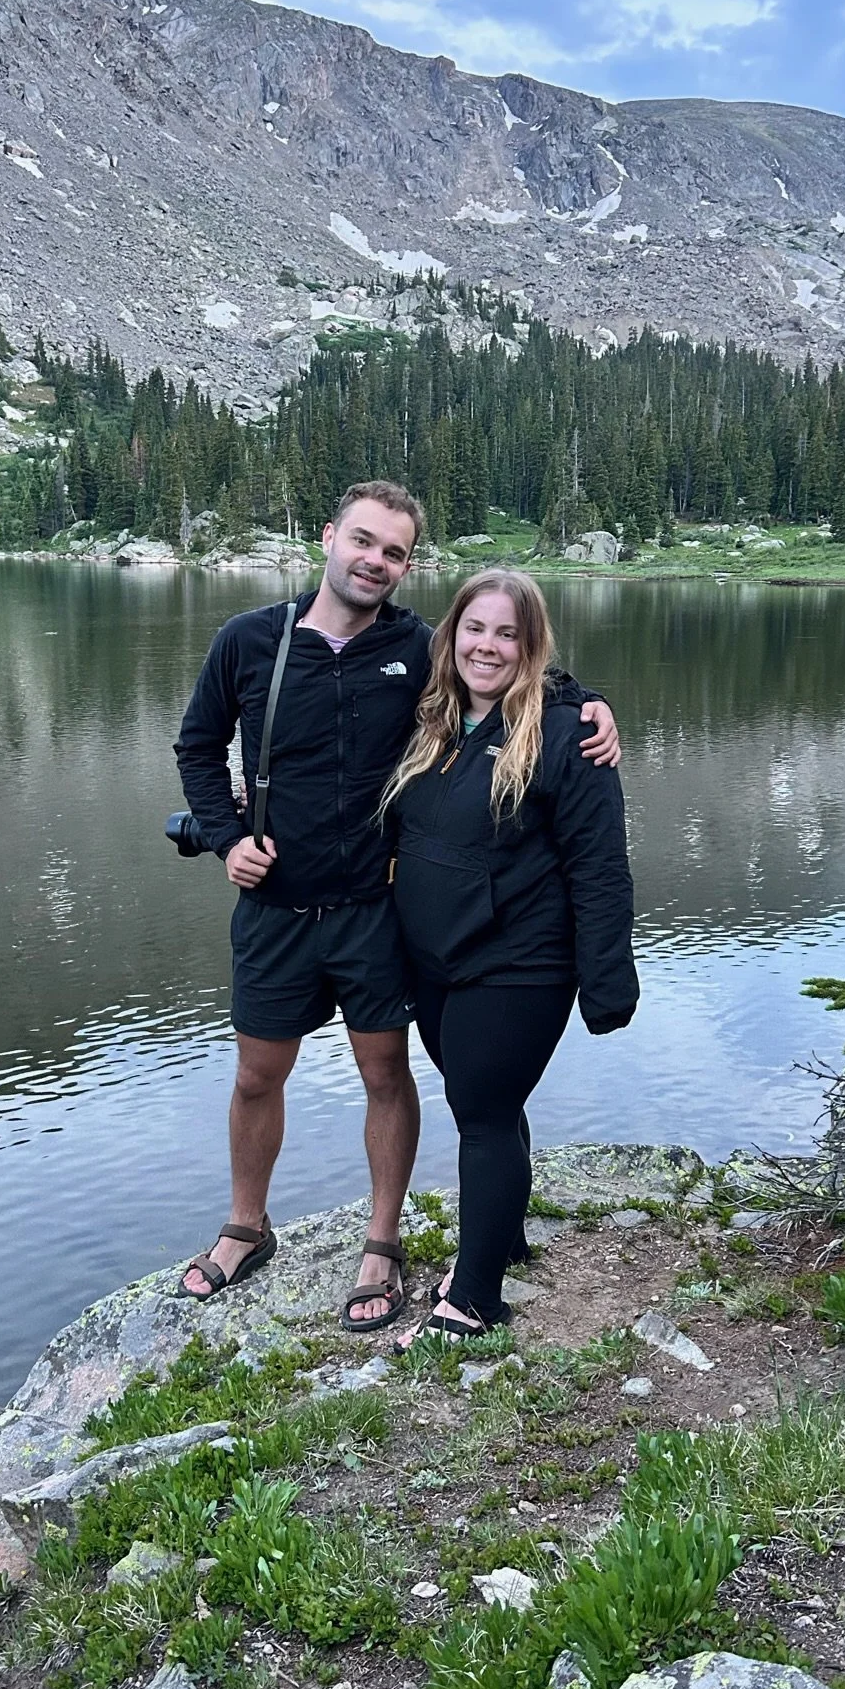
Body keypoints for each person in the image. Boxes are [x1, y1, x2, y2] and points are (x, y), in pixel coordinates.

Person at [172, 482, 621, 1329]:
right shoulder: (249, 641)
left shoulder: (417, 645)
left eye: (395, 552)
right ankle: (245, 1225)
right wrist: (229, 836)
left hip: (376, 914)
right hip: (274, 911)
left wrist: (589, 702)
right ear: (328, 536)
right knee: (256, 1074)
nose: (375, 561)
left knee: (386, 1074)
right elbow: (197, 746)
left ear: (408, 565)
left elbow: (510, 667)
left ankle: (383, 1242)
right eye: (364, 541)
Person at [382, 568, 638, 1342]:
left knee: (483, 1113)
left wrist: (607, 984)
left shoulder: (568, 733)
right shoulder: (430, 721)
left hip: (521, 964)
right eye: (475, 628)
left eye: (508, 634)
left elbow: (599, 867)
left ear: (531, 648)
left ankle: (476, 1295)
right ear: (451, 633)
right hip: (437, 963)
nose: (487, 646)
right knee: (485, 1099)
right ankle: (508, 1236)